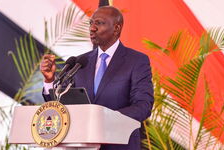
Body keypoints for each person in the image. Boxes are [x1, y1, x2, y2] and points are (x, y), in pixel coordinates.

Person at [40, 6, 154, 150]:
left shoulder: (136, 61)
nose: (92, 28)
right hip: (82, 145)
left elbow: (143, 105)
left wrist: (105, 117)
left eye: (99, 23)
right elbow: (59, 107)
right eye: (91, 23)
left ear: (116, 28)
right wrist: (49, 81)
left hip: (119, 144)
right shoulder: (80, 62)